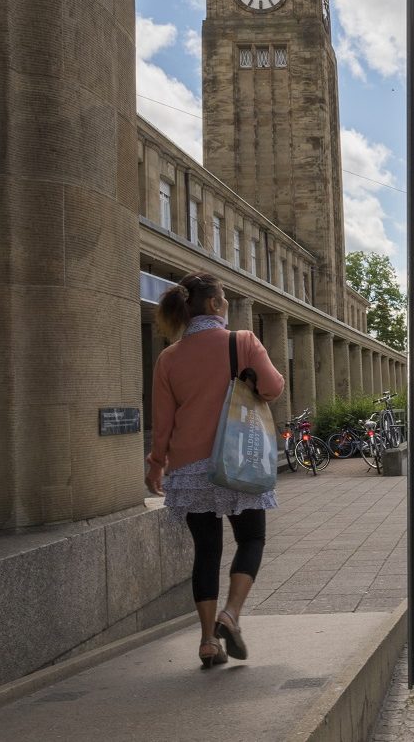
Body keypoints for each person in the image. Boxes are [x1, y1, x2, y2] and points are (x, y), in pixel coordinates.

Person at [147, 272, 285, 668]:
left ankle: (208, 641)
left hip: (190, 469)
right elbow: (273, 387)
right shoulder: (240, 341)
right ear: (213, 304)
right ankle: (232, 614)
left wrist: (157, 465)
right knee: (252, 539)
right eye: (223, 298)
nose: (224, 304)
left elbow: (164, 420)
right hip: (237, 459)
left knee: (206, 551)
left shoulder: (168, 357)